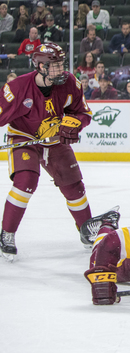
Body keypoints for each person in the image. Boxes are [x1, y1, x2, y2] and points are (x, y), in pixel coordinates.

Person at [0, 43, 94, 260]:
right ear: (40, 65)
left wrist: (75, 123)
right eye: (54, 65)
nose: (60, 69)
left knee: (74, 187)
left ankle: (87, 230)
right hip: (24, 138)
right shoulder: (17, 88)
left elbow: (83, 112)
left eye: (61, 64)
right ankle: (7, 233)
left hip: (54, 138)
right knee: (25, 182)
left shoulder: (70, 82)